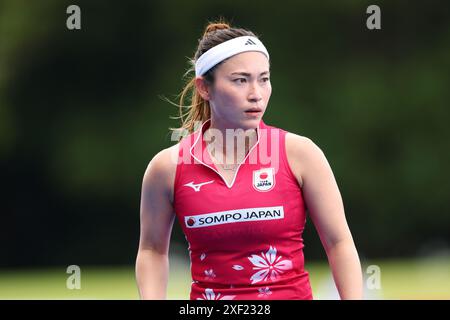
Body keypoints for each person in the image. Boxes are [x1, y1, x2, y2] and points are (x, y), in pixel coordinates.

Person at [135, 20, 363, 300]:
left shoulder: (301, 155)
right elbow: (152, 251)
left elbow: (339, 243)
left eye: (263, 79)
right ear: (205, 88)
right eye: (240, 80)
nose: (256, 93)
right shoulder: (167, 167)